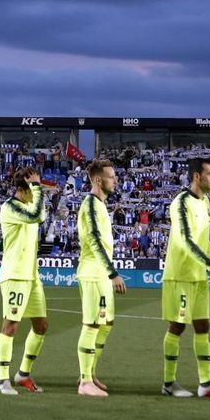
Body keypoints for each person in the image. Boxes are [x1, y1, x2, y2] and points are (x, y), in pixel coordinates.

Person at [161, 158, 210, 399]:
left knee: (203, 325)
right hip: (180, 274)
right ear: (196, 176)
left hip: (198, 275)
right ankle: (169, 383)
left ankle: (206, 384)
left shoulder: (206, 203)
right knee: (178, 325)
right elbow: (186, 241)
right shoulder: (181, 202)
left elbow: (203, 241)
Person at [0, 167, 48, 395]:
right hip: (15, 274)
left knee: (41, 326)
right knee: (11, 326)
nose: (34, 193)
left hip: (32, 275)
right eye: (30, 189)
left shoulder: (28, 205)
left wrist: (36, 188)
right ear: (20, 189)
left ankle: (23, 374)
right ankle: (3, 380)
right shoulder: (10, 207)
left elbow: (41, 214)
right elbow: (37, 215)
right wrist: (37, 187)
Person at [76, 160, 125, 397]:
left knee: (106, 323)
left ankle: (90, 372)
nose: (115, 180)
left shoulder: (101, 205)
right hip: (94, 273)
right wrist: (112, 272)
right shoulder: (91, 205)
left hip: (100, 273)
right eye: (111, 177)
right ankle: (85, 382)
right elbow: (94, 240)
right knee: (92, 324)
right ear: (98, 180)